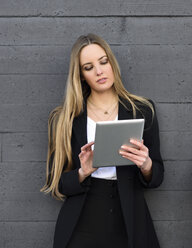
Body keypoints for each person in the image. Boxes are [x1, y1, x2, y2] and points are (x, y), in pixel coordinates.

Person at [41, 33, 164, 248]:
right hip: (82, 219)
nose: (99, 71)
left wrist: (146, 165)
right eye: (88, 67)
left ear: (112, 63)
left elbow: (158, 177)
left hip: (129, 217)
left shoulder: (142, 110)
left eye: (103, 62)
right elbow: (57, 184)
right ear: (80, 75)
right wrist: (83, 171)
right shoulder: (66, 118)